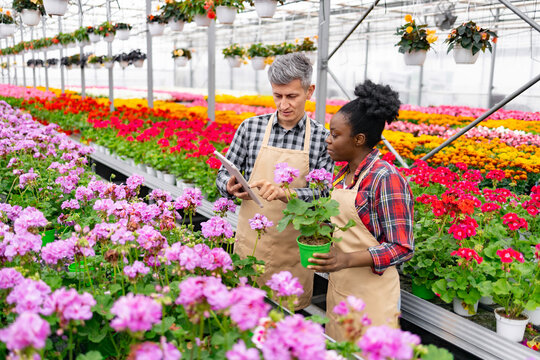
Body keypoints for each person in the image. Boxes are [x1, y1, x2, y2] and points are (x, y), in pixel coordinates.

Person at [216, 52, 333, 310]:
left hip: (292, 251)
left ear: (309, 91)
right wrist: (229, 186)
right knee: (246, 314)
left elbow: (326, 194)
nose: (283, 105)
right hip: (251, 245)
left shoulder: (322, 139)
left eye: (292, 96)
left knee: (286, 322)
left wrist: (287, 195)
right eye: (277, 96)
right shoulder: (250, 128)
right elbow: (223, 174)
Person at [308, 80, 414, 341]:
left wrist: (346, 259)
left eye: (335, 134)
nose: (328, 139)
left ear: (358, 139)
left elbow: (401, 247)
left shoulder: (385, 177)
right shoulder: (343, 175)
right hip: (342, 289)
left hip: (372, 296)